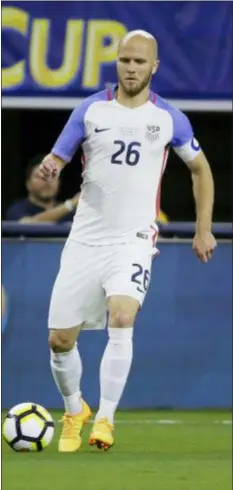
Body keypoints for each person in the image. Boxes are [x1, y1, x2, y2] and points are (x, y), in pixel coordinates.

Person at [37, 30, 217, 453]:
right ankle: (74, 409)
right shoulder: (91, 109)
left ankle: (105, 419)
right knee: (60, 340)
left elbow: (201, 170)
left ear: (154, 67)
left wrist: (203, 227)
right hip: (85, 239)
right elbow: (58, 156)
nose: (131, 68)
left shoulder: (170, 118)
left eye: (139, 62)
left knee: (122, 315)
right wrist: (50, 165)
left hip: (133, 238)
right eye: (124, 60)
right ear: (116, 63)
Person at [6, 154, 79, 223]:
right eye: (40, 176)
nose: (47, 181)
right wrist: (70, 204)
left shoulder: (72, 214)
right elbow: (26, 225)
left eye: (53, 176)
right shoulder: (17, 210)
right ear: (28, 184)